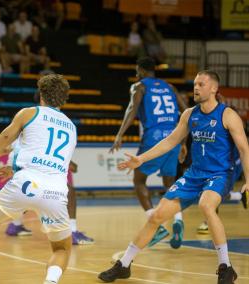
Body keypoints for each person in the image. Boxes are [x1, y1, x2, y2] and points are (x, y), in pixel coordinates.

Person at [98, 70, 249, 284]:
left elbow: (244, 149)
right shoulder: (189, 114)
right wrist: (141, 159)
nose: (196, 88)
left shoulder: (227, 115)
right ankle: (124, 264)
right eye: (195, 84)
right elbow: (170, 141)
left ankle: (226, 267)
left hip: (220, 174)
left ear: (214, 88)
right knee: (155, 217)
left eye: (201, 84)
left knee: (207, 205)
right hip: (195, 175)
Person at [0, 74, 76, 284]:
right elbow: (49, 161)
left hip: (25, 185)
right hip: (56, 193)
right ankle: (50, 282)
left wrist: (12, 161)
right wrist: (15, 167)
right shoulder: (71, 127)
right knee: (61, 248)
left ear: (41, 95)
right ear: (64, 99)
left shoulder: (28, 113)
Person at [109, 57, 188, 249]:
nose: (137, 75)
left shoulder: (139, 86)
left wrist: (119, 134)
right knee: (169, 182)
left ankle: (156, 224)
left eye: (137, 71)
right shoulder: (170, 87)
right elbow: (186, 111)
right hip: (174, 137)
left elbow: (131, 109)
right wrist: (183, 141)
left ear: (142, 71)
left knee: (138, 180)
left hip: (155, 137)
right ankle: (178, 218)